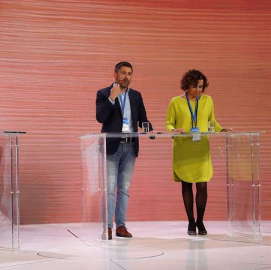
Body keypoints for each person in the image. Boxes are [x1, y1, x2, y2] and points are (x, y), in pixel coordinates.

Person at [165, 69, 231, 236]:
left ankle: (200, 220)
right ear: (187, 85)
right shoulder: (175, 102)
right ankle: (190, 221)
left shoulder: (208, 100)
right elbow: (168, 123)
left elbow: (211, 121)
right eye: (195, 86)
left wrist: (221, 129)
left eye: (201, 86)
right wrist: (174, 130)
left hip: (201, 147)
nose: (198, 90)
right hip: (183, 148)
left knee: (202, 185)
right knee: (186, 185)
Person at [96, 61, 153, 240]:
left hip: (130, 146)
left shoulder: (136, 96)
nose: (126, 77)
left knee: (124, 188)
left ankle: (121, 225)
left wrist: (150, 129)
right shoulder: (104, 93)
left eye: (129, 73)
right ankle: (108, 227)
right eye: (123, 73)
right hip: (112, 146)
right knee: (110, 188)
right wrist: (111, 99)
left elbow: (143, 119)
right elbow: (100, 118)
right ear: (115, 74)